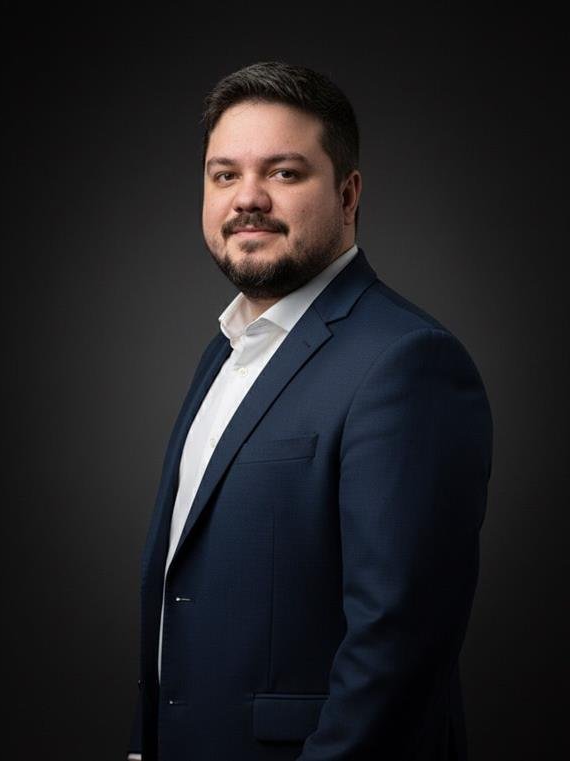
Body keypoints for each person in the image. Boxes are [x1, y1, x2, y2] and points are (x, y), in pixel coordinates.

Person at [127, 61, 493, 761]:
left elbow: (398, 653)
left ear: (347, 195)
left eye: (285, 172)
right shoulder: (224, 352)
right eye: (224, 174)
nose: (248, 198)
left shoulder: (408, 363)